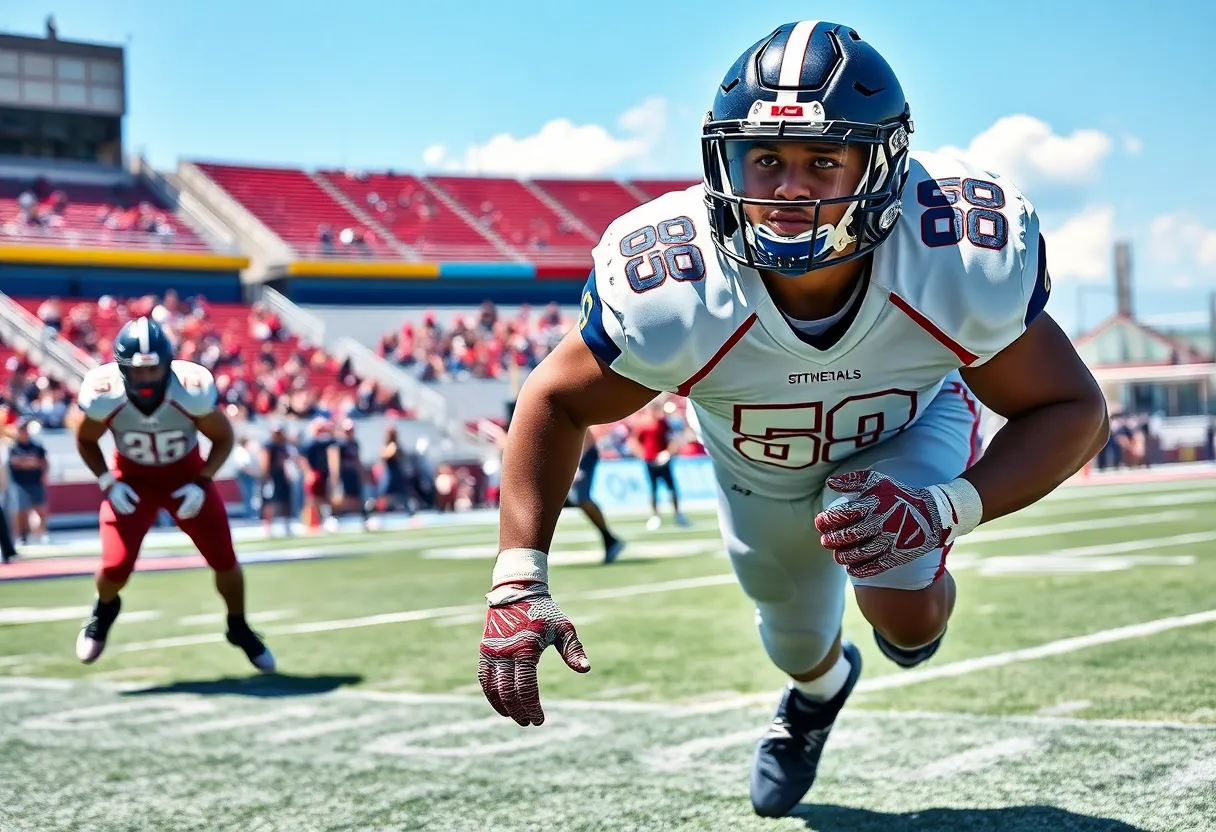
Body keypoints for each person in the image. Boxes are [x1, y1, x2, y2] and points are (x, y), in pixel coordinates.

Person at [477, 20, 1108, 818]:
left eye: (822, 160)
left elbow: (1073, 406)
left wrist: (949, 508)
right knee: (796, 641)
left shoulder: (952, 253)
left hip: (907, 431)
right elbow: (555, 398)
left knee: (904, 617)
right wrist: (517, 579)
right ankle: (818, 693)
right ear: (725, 160)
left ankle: (909, 612)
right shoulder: (676, 283)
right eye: (767, 159)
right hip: (756, 469)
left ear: (881, 167)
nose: (788, 188)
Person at [72, 316, 275, 672]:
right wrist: (107, 481)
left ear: (167, 365)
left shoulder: (190, 388)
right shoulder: (105, 395)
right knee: (113, 567)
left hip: (185, 478)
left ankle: (238, 626)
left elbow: (224, 437)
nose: (147, 379)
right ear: (121, 370)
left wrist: (203, 481)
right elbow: (86, 439)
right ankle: (104, 612)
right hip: (131, 482)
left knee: (225, 560)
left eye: (154, 371)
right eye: (138, 372)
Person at [565, 429, 626, 564]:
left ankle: (609, 539)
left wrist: (576, 466)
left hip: (584, 455)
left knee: (581, 497)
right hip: (568, 454)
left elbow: (586, 437)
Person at [630, 400, 690, 530]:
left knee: (672, 488)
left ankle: (678, 514)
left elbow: (673, 439)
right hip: (650, 461)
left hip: (663, 462)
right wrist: (643, 455)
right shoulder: (643, 425)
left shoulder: (664, 423)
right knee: (653, 490)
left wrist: (667, 453)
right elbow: (634, 441)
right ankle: (655, 516)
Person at [7, 419, 50, 545]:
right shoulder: (14, 447)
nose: (23, 432)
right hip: (20, 483)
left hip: (36, 481)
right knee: (21, 511)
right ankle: (22, 536)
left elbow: (43, 462)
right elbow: (15, 463)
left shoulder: (36, 445)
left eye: (25, 429)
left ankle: (43, 534)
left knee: (41, 509)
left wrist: (28, 463)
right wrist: (30, 462)